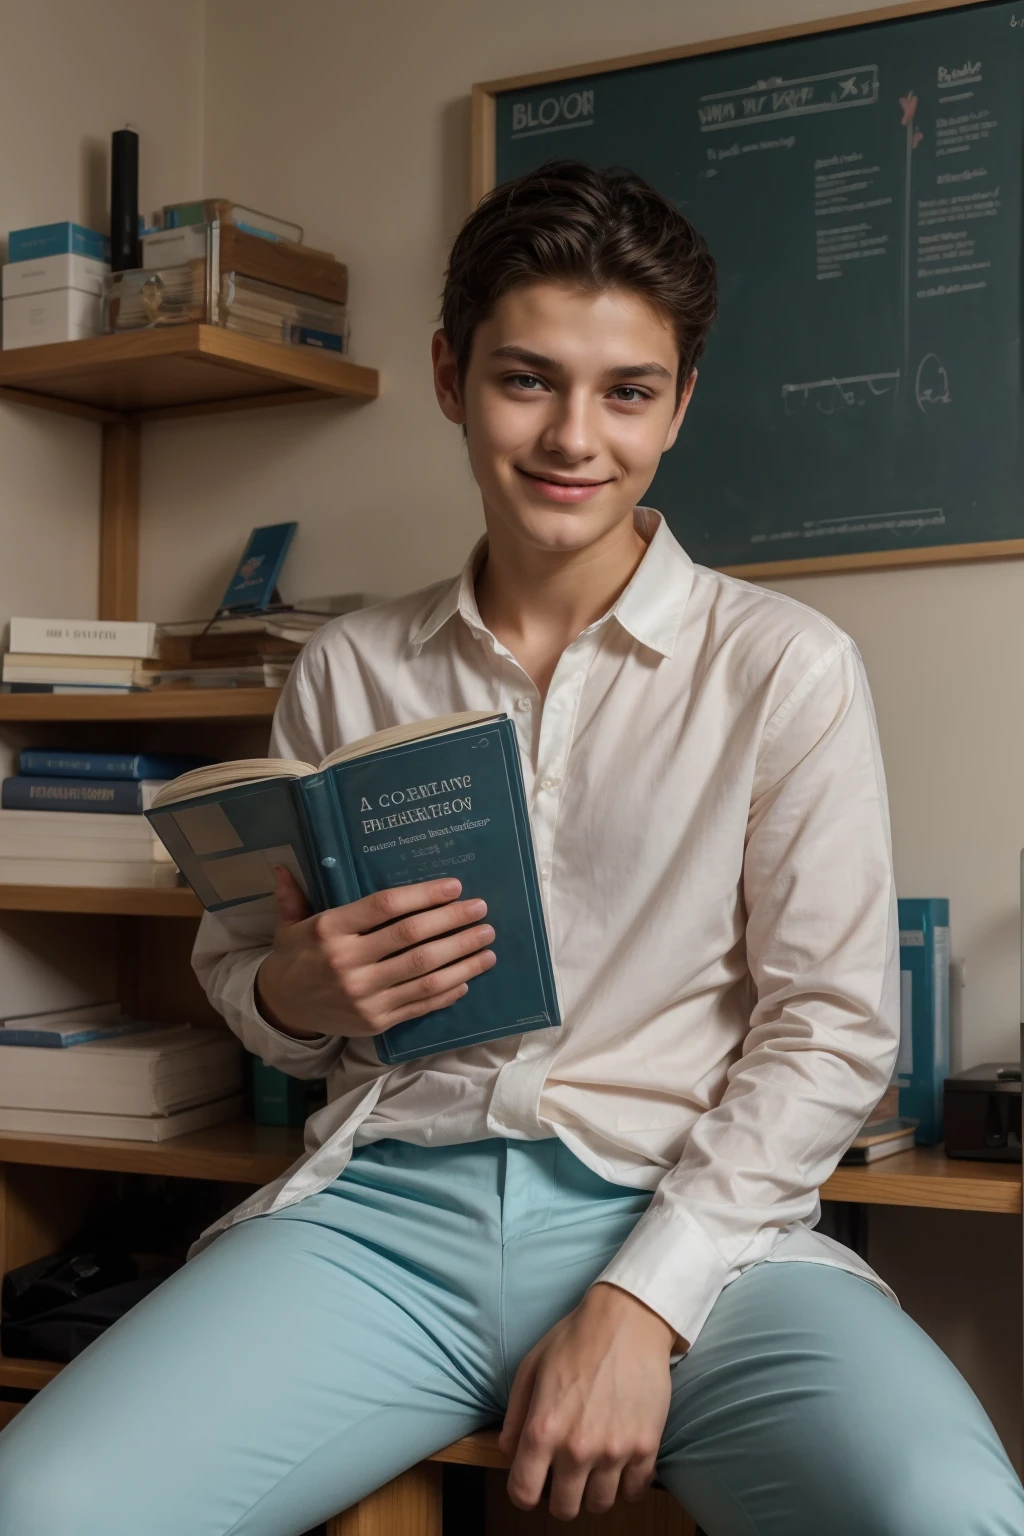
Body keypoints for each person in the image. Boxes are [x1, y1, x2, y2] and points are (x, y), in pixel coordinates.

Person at [1, 160, 1021, 1536]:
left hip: (698, 1232)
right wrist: (296, 994)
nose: (573, 438)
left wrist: (638, 1305)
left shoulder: (784, 667)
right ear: (449, 375)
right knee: (41, 1502)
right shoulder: (349, 670)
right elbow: (253, 974)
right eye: (527, 379)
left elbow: (832, 1034)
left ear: (681, 404)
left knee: (947, 1513)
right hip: (383, 1227)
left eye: (628, 391)